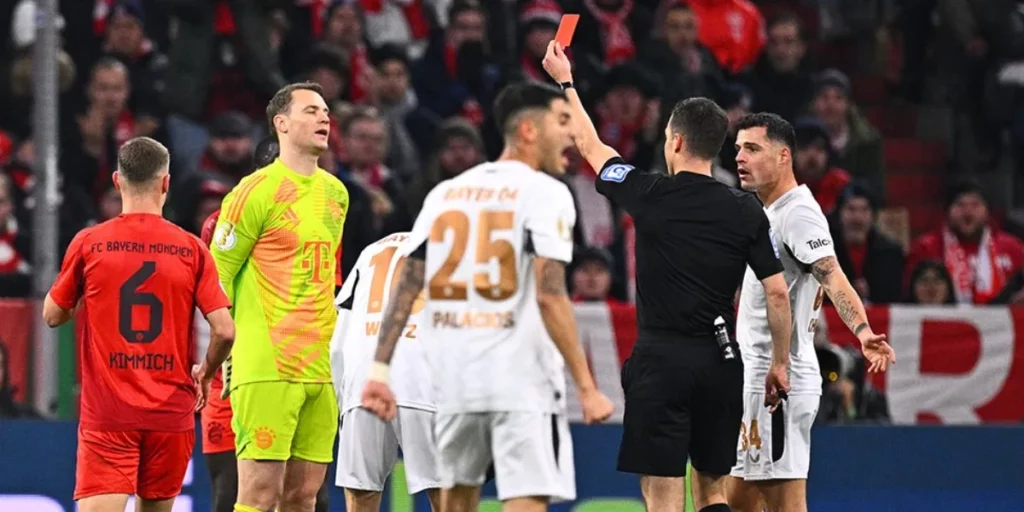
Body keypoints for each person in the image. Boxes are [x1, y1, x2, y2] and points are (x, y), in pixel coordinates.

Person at [542, 41, 793, 512]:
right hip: (721, 361)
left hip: (662, 361)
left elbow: (591, 146)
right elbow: (777, 292)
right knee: (714, 492)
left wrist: (566, 81)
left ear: (675, 140)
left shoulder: (649, 192)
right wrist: (779, 364)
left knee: (661, 496)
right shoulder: (746, 209)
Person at [361, 82, 615, 512]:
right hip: (521, 380)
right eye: (562, 122)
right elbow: (550, 295)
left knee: (457, 498)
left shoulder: (445, 194)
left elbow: (408, 283)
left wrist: (380, 370)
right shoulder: (547, 193)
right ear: (530, 131)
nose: (571, 135)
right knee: (527, 498)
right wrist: (587, 387)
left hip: (454, 380)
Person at [42, 137, 235, 512]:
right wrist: (206, 374)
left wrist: (87, 291)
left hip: (109, 413)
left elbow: (52, 315)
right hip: (171, 412)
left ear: (117, 180)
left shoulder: (91, 243)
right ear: (166, 183)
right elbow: (225, 330)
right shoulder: (192, 248)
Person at [728, 113, 896, 512]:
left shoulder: (798, 213)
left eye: (752, 149)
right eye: (737, 149)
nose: (740, 158)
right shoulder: (769, 212)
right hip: (760, 377)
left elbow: (832, 276)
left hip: (779, 381)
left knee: (784, 502)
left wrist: (863, 331)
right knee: (737, 500)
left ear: (784, 156)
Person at [209, 82, 349, 512]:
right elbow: (216, 280)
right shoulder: (253, 191)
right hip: (266, 365)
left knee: (304, 498)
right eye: (311, 111)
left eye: (326, 111)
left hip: (320, 368)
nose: (324, 117)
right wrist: (222, 357)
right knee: (258, 496)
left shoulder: (336, 194)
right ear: (281, 124)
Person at [330, 232, 442, 512]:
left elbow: (337, 345)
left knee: (361, 495)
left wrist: (342, 406)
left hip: (362, 379)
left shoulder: (371, 250)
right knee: (448, 496)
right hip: (424, 380)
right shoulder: (457, 246)